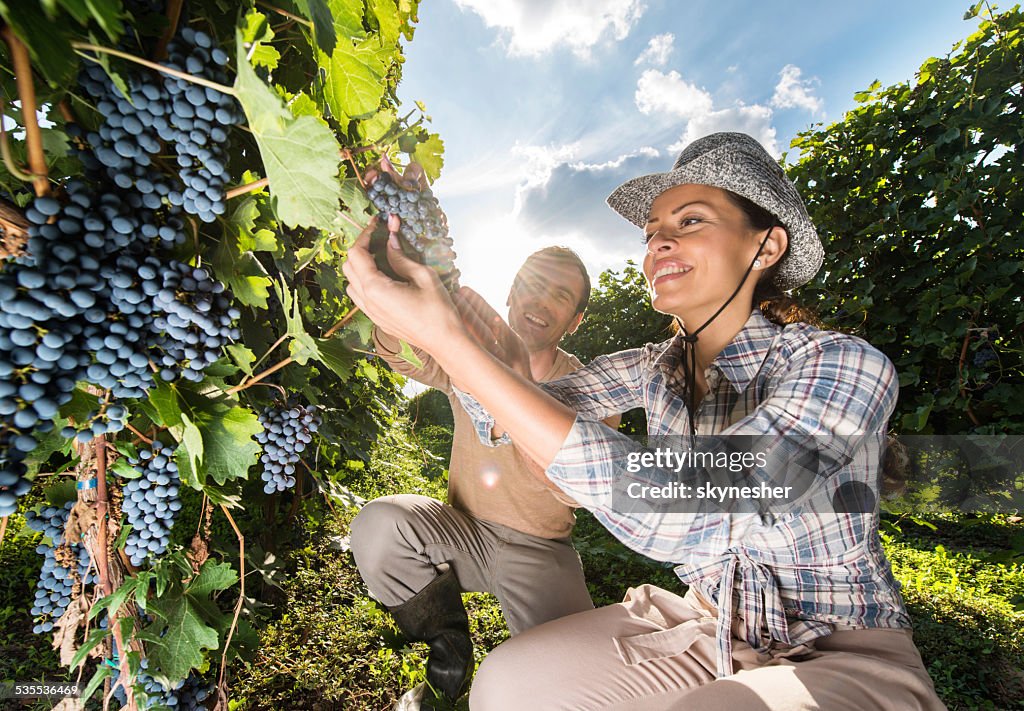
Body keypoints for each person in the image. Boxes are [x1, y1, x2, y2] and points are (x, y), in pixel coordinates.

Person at [343, 132, 946, 710]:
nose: (657, 243)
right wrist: (427, 267)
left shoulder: (844, 366)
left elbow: (683, 502)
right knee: (504, 687)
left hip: (840, 646)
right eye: (653, 232)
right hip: (710, 625)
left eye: (690, 222)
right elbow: (512, 399)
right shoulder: (649, 368)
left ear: (765, 247)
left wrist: (452, 343)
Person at [350, 246, 617, 707]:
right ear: (511, 294)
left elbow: (575, 488)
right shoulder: (469, 353)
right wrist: (392, 297)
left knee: (575, 676)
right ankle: (448, 655)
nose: (539, 301)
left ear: (574, 320)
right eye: (532, 285)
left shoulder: (593, 390)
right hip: (463, 533)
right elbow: (405, 355)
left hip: (539, 547)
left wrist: (516, 401)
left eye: (559, 294)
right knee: (378, 525)